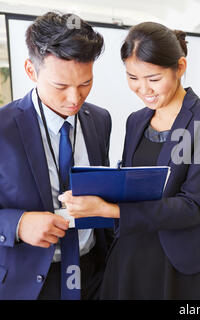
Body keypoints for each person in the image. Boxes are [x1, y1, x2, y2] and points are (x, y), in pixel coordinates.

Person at [59, 21, 200, 299]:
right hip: (130, 254)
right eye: (133, 78)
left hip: (176, 263)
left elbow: (192, 207)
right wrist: (92, 195)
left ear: (180, 67)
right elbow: (129, 187)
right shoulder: (136, 121)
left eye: (153, 79)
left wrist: (110, 210)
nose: (143, 89)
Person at [0, 12, 112, 300]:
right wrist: (18, 224)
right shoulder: (3, 127)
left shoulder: (100, 119)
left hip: (94, 274)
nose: (74, 98)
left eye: (85, 83)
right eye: (61, 86)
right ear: (30, 70)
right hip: (28, 282)